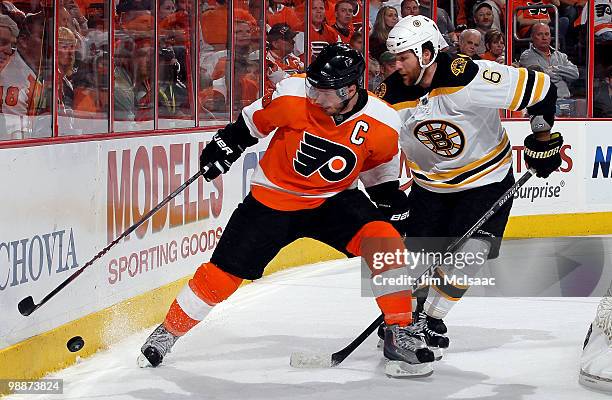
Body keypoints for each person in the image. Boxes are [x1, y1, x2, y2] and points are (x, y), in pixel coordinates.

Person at [138, 43, 436, 378]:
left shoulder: (383, 120)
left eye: (323, 92)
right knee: (221, 275)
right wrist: (226, 144)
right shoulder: (293, 94)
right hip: (272, 200)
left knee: (384, 240)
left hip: (333, 200)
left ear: (349, 89)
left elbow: (379, 169)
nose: (314, 97)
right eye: (313, 86)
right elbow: (251, 123)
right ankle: (168, 331)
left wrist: (389, 203)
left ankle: (400, 331)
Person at [378, 15, 561, 359]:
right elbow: (379, 143)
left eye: (404, 57)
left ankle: (431, 320)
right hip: (428, 186)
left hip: (486, 181)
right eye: (394, 58)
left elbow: (542, 89)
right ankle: (406, 319)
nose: (396, 65)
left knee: (469, 256)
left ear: (428, 52)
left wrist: (541, 137)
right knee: (416, 261)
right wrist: (386, 190)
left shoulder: (473, 76)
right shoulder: (391, 94)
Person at [519, 22, 578, 99]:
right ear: (532, 37)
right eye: (540, 34)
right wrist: (562, 76)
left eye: (547, 34)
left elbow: (575, 74)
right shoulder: (527, 56)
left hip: (564, 100)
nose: (544, 38)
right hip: (543, 102)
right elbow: (540, 77)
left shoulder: (560, 55)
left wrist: (554, 69)